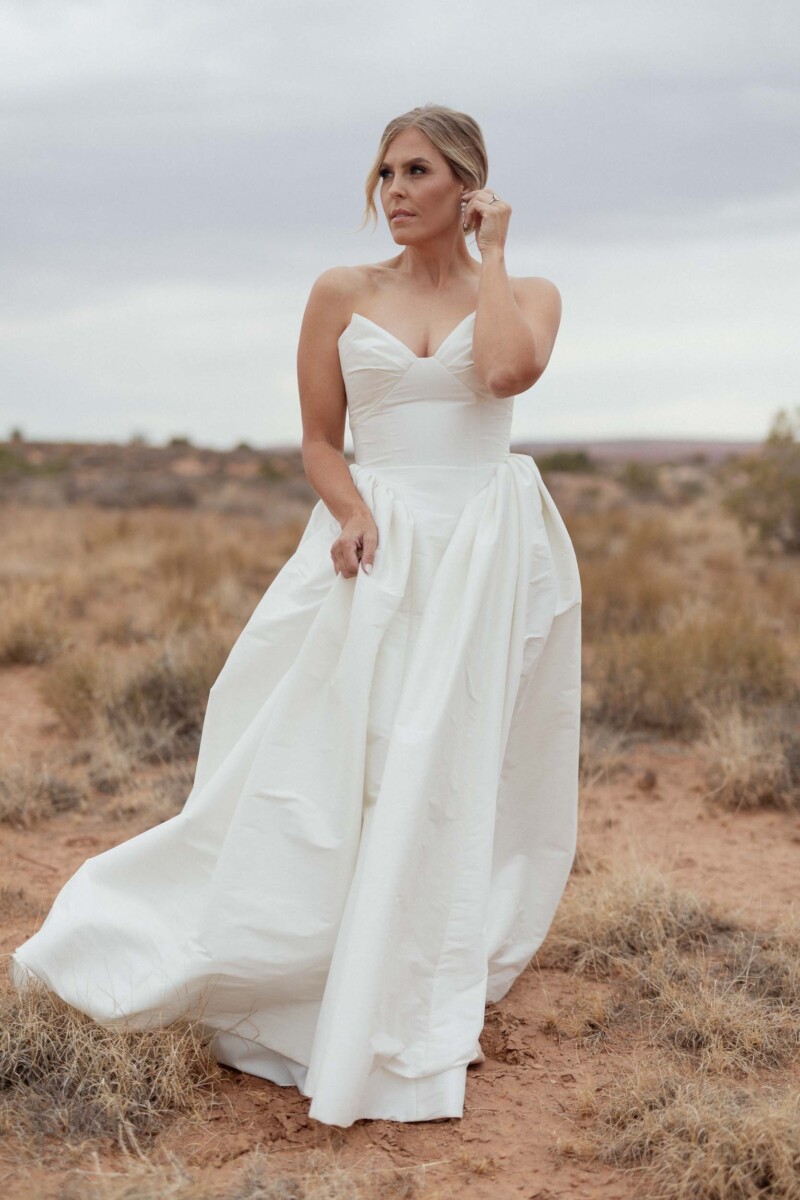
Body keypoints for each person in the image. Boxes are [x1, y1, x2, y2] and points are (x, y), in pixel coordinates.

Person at [9, 103, 582, 1128]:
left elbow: (502, 372)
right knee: (331, 756)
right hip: (375, 541)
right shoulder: (337, 291)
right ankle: (304, 959)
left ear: (466, 184)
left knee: (450, 762)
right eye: (384, 173)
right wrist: (354, 512)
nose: (393, 190)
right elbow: (321, 438)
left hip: (486, 548)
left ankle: (412, 970)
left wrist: (491, 254)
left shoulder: (526, 290)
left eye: (416, 172)